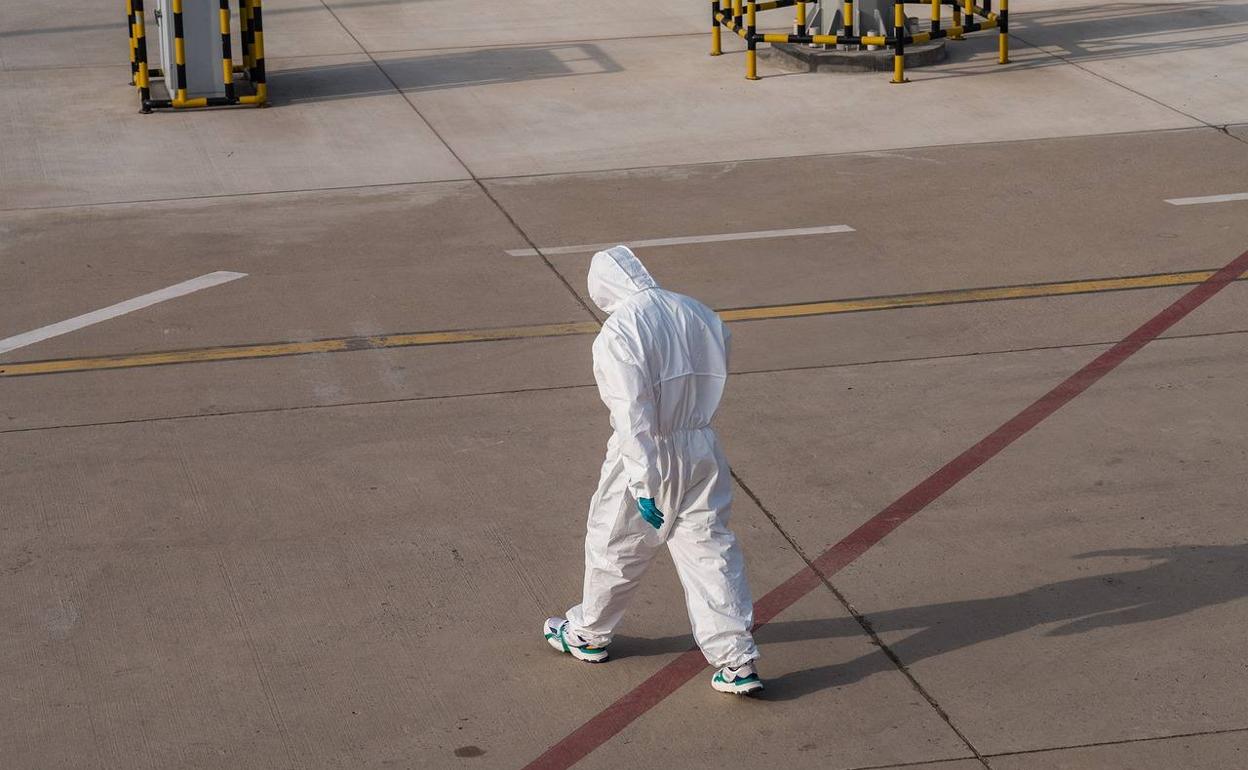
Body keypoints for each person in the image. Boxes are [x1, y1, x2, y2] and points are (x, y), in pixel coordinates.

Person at [543, 245, 762, 695]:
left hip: (647, 455)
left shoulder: (619, 331)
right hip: (702, 445)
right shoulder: (696, 312)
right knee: (710, 551)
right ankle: (737, 660)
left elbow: (631, 414)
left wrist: (643, 481)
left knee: (615, 544)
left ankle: (589, 632)